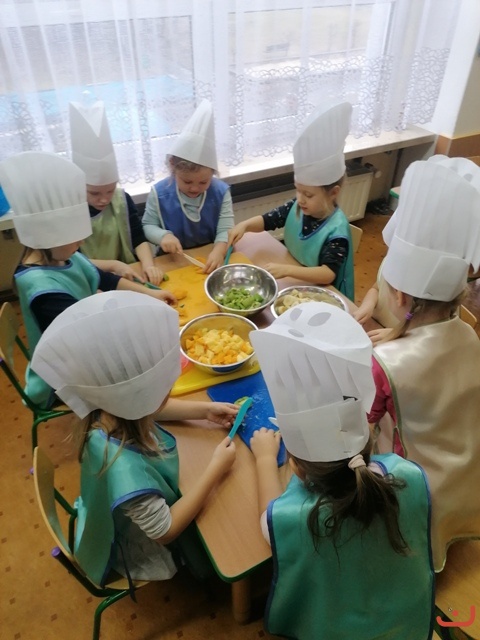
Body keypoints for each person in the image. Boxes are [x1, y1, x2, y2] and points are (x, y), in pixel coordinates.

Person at [248, 302, 434, 640]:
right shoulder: (408, 475)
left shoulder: (290, 518)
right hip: (406, 624)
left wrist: (263, 460)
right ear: (369, 438)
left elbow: (267, 518)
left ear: (296, 468)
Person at [31, 290, 238, 584]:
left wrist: (203, 410)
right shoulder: (126, 470)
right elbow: (165, 531)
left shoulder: (106, 412)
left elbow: (150, 409)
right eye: (165, 388)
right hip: (140, 546)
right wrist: (216, 468)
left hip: (104, 511)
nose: (167, 393)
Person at [367, 155, 480, 572]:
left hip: (411, 487)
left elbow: (362, 426)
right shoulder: (469, 335)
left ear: (397, 296)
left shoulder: (385, 363)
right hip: (464, 475)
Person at [0, 151, 175, 410]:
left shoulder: (64, 256)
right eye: (76, 236)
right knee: (137, 393)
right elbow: (89, 341)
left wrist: (151, 294)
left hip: (86, 344)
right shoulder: (43, 291)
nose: (82, 241)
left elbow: (104, 278)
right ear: (49, 238)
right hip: (61, 377)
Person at [228, 102, 355, 300]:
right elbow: (269, 220)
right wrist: (244, 225)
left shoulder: (336, 231)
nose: (300, 199)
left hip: (326, 294)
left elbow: (328, 274)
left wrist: (286, 270)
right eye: (298, 190)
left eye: (309, 195)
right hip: (298, 282)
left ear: (333, 193)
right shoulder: (298, 207)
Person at [69, 100, 163, 285]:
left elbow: (138, 237)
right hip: (90, 278)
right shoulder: (70, 209)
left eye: (110, 190)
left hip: (127, 272)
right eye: (94, 193)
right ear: (79, 186)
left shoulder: (121, 199)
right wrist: (112, 265)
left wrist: (148, 265)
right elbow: (71, 258)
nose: (104, 199)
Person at [142, 100, 234, 273]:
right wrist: (163, 236)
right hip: (172, 260)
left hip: (211, 255)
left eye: (203, 182)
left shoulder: (221, 192)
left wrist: (218, 251)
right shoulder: (159, 193)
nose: (194, 188)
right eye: (187, 182)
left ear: (213, 173)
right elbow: (147, 225)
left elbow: (225, 230)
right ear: (173, 169)